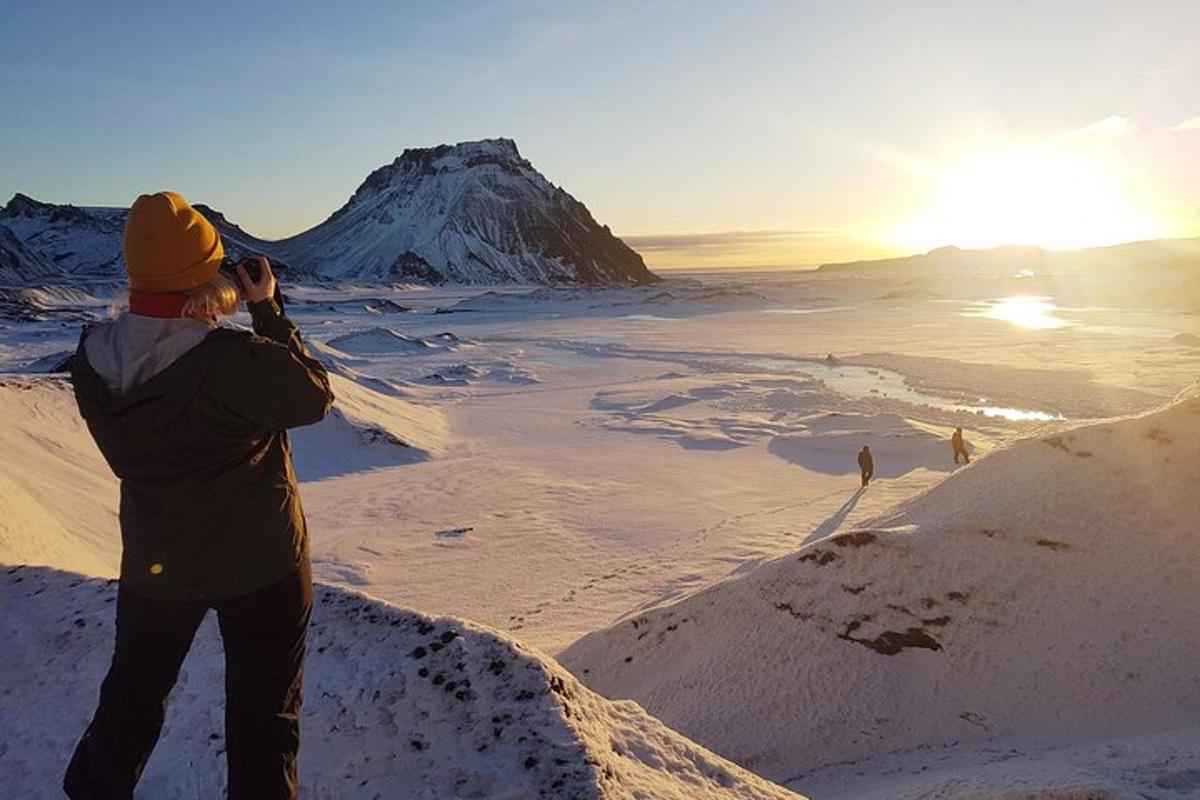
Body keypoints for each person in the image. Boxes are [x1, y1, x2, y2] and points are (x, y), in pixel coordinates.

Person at [64, 191, 334, 800]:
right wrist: (267, 311)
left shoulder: (93, 357)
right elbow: (312, 396)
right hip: (263, 566)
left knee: (130, 701)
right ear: (204, 274)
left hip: (156, 565)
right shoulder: (232, 359)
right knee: (265, 721)